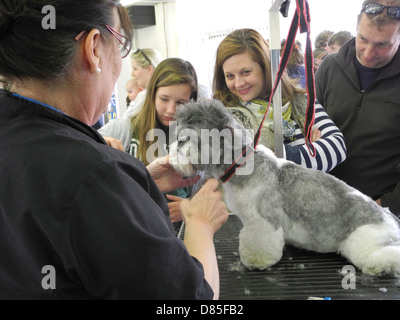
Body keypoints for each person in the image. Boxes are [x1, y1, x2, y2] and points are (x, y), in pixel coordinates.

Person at [0, 0, 228, 299]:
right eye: (119, 44)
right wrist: (199, 222)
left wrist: (132, 191)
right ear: (94, 48)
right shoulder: (94, 174)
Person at [213, 28, 347, 173]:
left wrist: (282, 157)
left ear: (266, 68)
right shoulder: (223, 119)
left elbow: (337, 147)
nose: (238, 84)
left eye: (246, 72)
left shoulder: (301, 101)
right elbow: (246, 174)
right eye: (230, 76)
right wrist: (312, 153)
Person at [315, 0, 400, 217]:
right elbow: (313, 124)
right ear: (356, 28)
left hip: (381, 212)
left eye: (383, 44)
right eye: (363, 39)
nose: (369, 53)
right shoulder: (329, 68)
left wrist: (387, 205)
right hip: (326, 204)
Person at [99, 58, 199, 225]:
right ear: (152, 94)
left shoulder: (194, 138)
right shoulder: (123, 129)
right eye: (164, 99)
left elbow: (204, 191)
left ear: (191, 102)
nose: (171, 110)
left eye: (180, 103)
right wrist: (98, 142)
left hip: (177, 232)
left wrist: (191, 208)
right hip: (131, 225)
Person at [123, 48, 162, 119]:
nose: (132, 74)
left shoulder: (146, 97)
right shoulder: (144, 96)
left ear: (149, 69)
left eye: (135, 69)